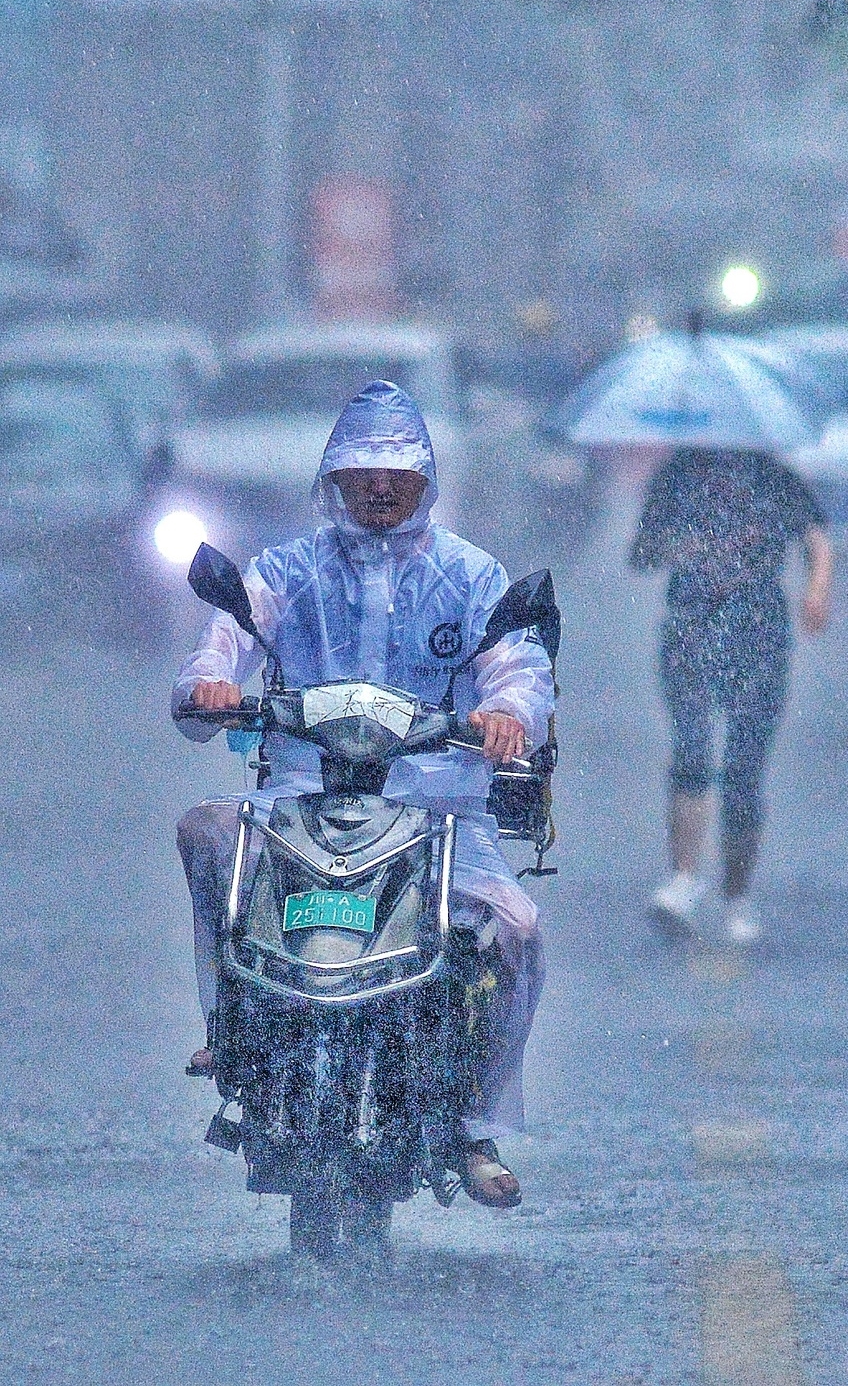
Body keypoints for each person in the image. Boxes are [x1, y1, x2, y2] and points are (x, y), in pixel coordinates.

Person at [172, 380, 554, 1208]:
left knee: (517, 927)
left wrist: (507, 713)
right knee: (202, 831)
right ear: (332, 481)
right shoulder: (284, 570)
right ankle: (228, 1026)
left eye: (398, 477)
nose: (380, 490)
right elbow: (229, 636)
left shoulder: (470, 576)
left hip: (439, 814)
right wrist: (208, 682)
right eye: (361, 475)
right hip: (300, 800)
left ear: (425, 483)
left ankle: (474, 1120)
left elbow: (517, 665)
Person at [628, 444, 832, 944]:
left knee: (745, 769)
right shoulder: (675, 477)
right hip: (691, 632)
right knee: (692, 748)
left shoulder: (774, 478)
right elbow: (642, 554)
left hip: (758, 635)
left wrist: (818, 586)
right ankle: (684, 878)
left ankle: (735, 895)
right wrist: (686, 548)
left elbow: (816, 536)